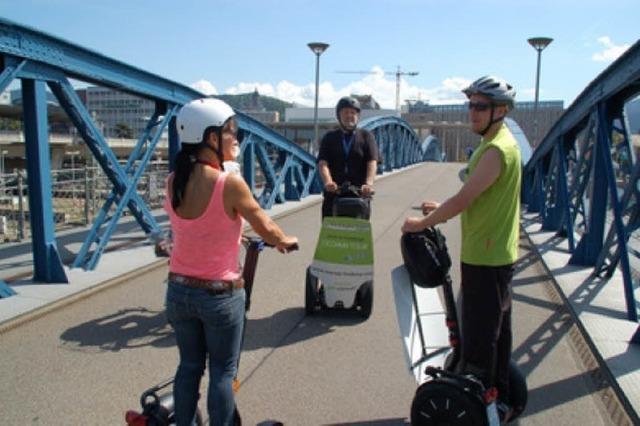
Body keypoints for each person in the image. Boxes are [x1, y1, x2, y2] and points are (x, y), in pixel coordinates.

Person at [164, 98, 298, 426]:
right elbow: (264, 225)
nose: (235, 137)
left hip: (178, 291)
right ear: (211, 138)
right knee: (223, 373)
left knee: (189, 367)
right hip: (218, 294)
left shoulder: (172, 181)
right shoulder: (229, 183)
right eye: (229, 131)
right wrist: (283, 240)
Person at [401, 76, 521, 418]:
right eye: (470, 104)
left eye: (481, 106)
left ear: (501, 110)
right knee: (497, 334)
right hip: (495, 252)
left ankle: (483, 407)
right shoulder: (497, 143)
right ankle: (502, 400)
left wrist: (423, 224)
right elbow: (479, 197)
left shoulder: (497, 149)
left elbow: (465, 197)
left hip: (486, 256)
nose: (473, 112)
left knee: (481, 341)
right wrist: (440, 206)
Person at [317, 96, 379, 218]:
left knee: (359, 235)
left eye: (353, 112)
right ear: (339, 115)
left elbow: (372, 161)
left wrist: (368, 184)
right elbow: (323, 163)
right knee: (330, 234)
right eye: (345, 112)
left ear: (358, 116)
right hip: (334, 194)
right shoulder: (329, 137)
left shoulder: (366, 136)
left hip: (359, 194)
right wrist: (328, 182)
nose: (349, 115)